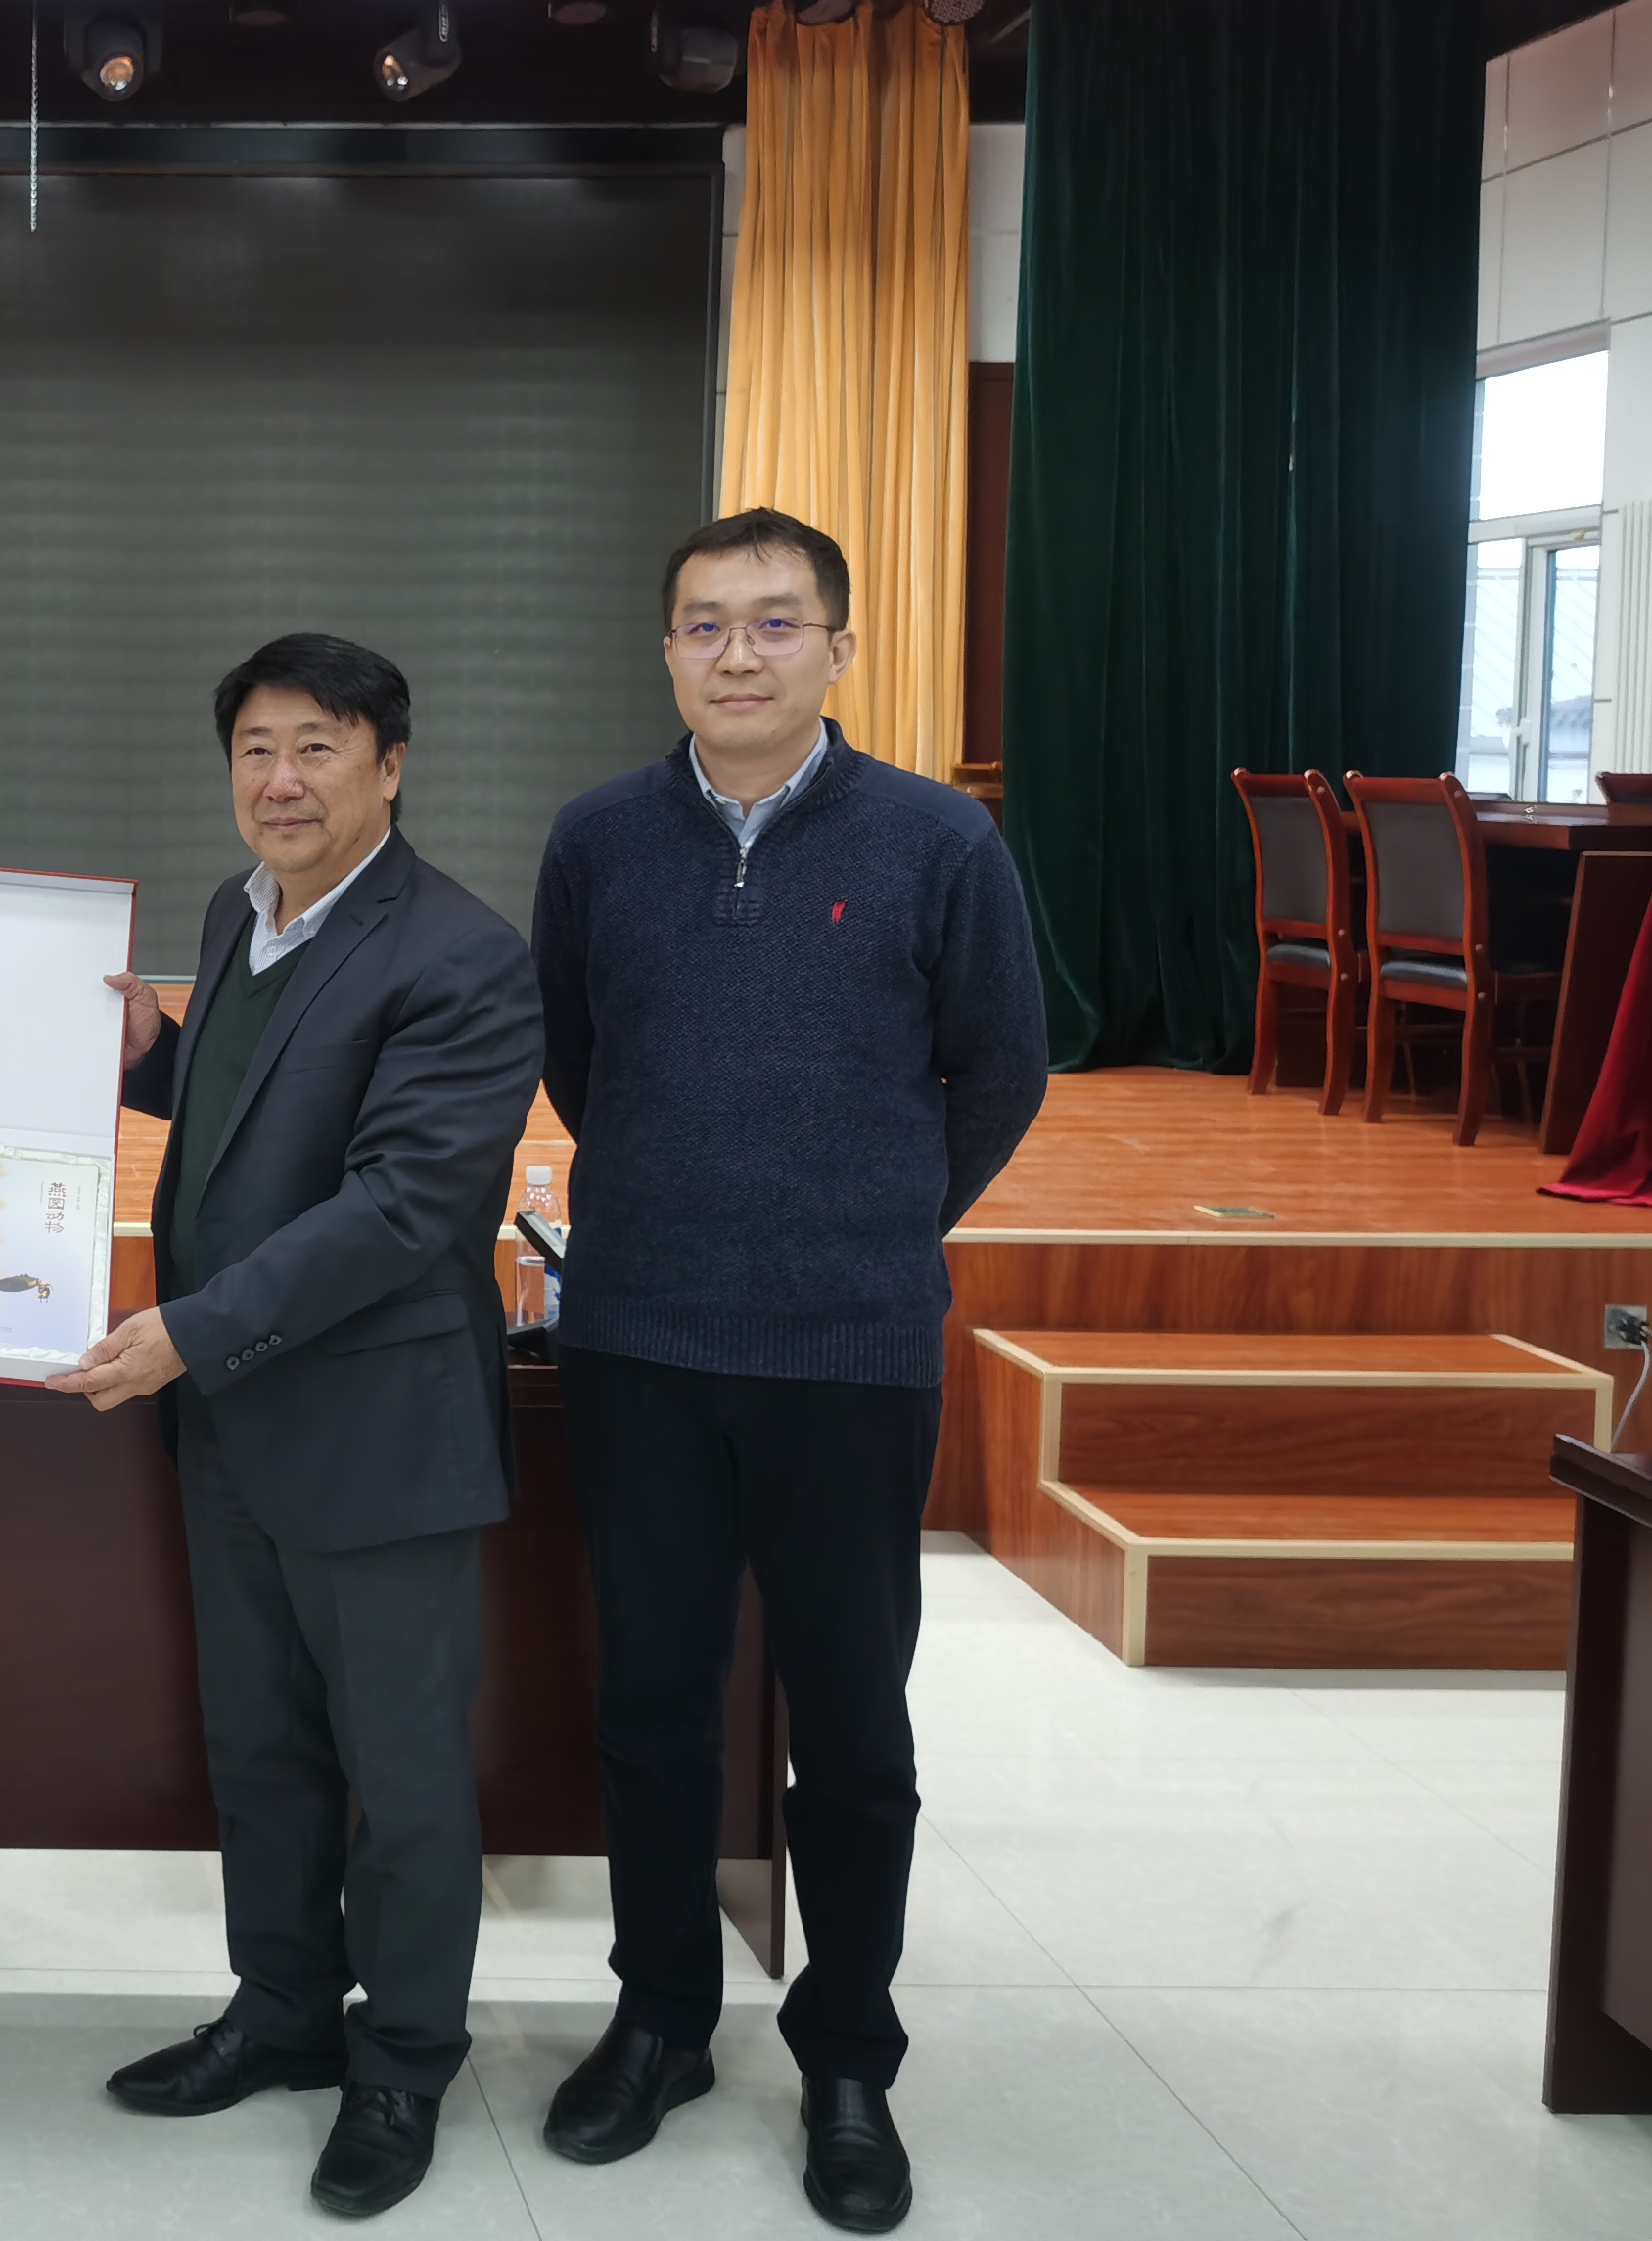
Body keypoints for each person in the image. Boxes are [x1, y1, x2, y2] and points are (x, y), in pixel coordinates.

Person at [528, 508, 1047, 2235]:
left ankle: (847, 2056)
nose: (736, 653)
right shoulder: (598, 838)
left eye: (772, 622)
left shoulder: (936, 840)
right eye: (703, 624)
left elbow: (1003, 1072)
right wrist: (685, 1208)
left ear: (840, 646)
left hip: (850, 1350)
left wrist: (870, 1221)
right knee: (652, 1709)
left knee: (853, 1726)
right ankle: (662, 2017)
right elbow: (584, 1061)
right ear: (667, 649)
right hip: (640, 1340)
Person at [62, 634, 541, 2221]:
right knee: (260, 1748)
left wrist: (191, 1333)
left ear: (390, 767)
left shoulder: (462, 954)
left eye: (318, 747)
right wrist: (157, 1061)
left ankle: (402, 2059)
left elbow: (403, 1203)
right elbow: (258, 1101)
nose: (281, 779)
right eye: (256, 748)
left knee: (400, 1772)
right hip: (232, 1427)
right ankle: (281, 2012)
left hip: (375, 1432)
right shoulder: (239, 913)